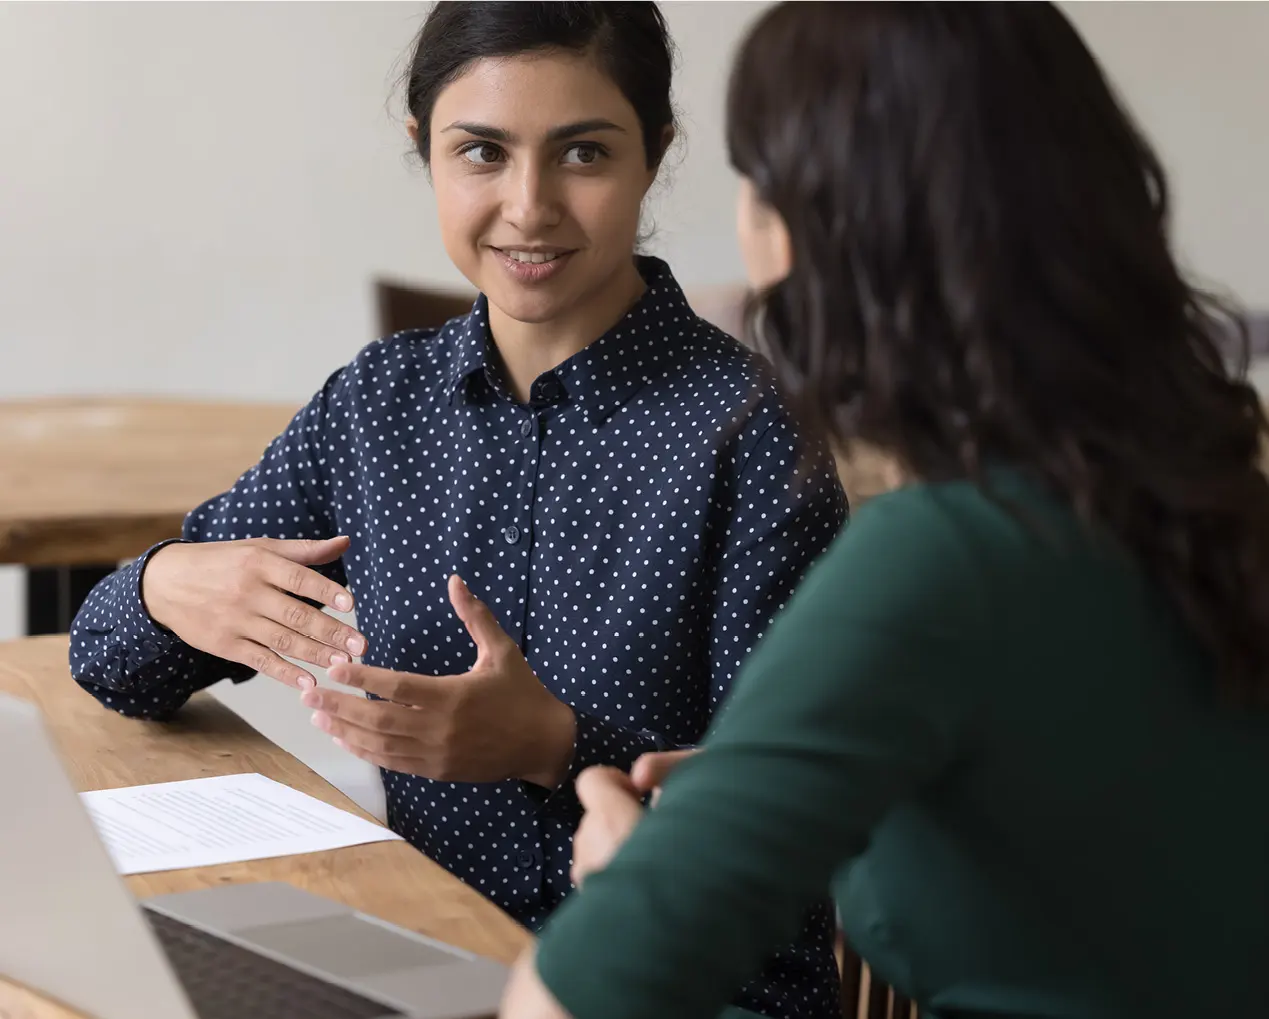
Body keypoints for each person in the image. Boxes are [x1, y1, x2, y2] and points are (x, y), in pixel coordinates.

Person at [67, 3, 847, 1017]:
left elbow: (805, 819)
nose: (528, 207)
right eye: (482, 152)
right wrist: (165, 583)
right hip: (431, 964)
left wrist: (554, 745)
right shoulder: (376, 403)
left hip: (691, 990)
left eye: (583, 153)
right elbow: (111, 666)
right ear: (424, 152)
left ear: (655, 154)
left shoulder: (755, 437)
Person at [498, 3, 1269, 1018]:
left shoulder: (936, 556)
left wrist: (634, 876)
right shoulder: (1210, 499)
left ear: (813, 235)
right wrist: (807, 778)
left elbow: (563, 1000)